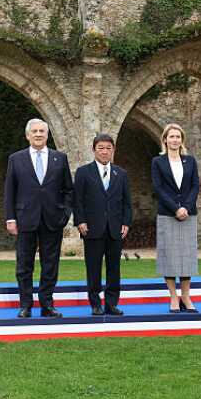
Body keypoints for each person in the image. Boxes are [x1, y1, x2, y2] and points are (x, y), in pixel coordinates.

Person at [3, 118, 73, 318]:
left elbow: (68, 190)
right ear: (27, 135)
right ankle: (25, 305)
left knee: (50, 264)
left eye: (42, 131)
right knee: (24, 265)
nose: (38, 134)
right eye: (34, 131)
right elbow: (10, 191)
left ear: (47, 134)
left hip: (53, 220)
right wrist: (10, 218)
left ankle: (47, 304)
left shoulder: (60, 158)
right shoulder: (16, 159)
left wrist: (64, 214)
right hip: (25, 218)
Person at [73, 133, 132, 316]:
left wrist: (126, 223)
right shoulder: (83, 172)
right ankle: (95, 303)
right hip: (92, 227)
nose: (105, 152)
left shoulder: (121, 173)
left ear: (113, 150)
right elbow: (78, 200)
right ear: (94, 150)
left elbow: (126, 202)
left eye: (108, 148)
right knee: (93, 267)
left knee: (114, 267)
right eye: (101, 148)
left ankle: (112, 303)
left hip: (115, 228)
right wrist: (80, 221)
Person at [151, 123, 200, 313]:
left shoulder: (190, 161)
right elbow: (158, 188)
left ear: (182, 140)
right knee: (169, 256)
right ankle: (173, 297)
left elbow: (195, 185)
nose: (175, 140)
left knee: (187, 256)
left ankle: (186, 297)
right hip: (167, 213)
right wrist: (175, 208)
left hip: (188, 214)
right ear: (165, 139)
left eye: (178, 137)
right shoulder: (158, 161)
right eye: (171, 136)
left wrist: (186, 207)